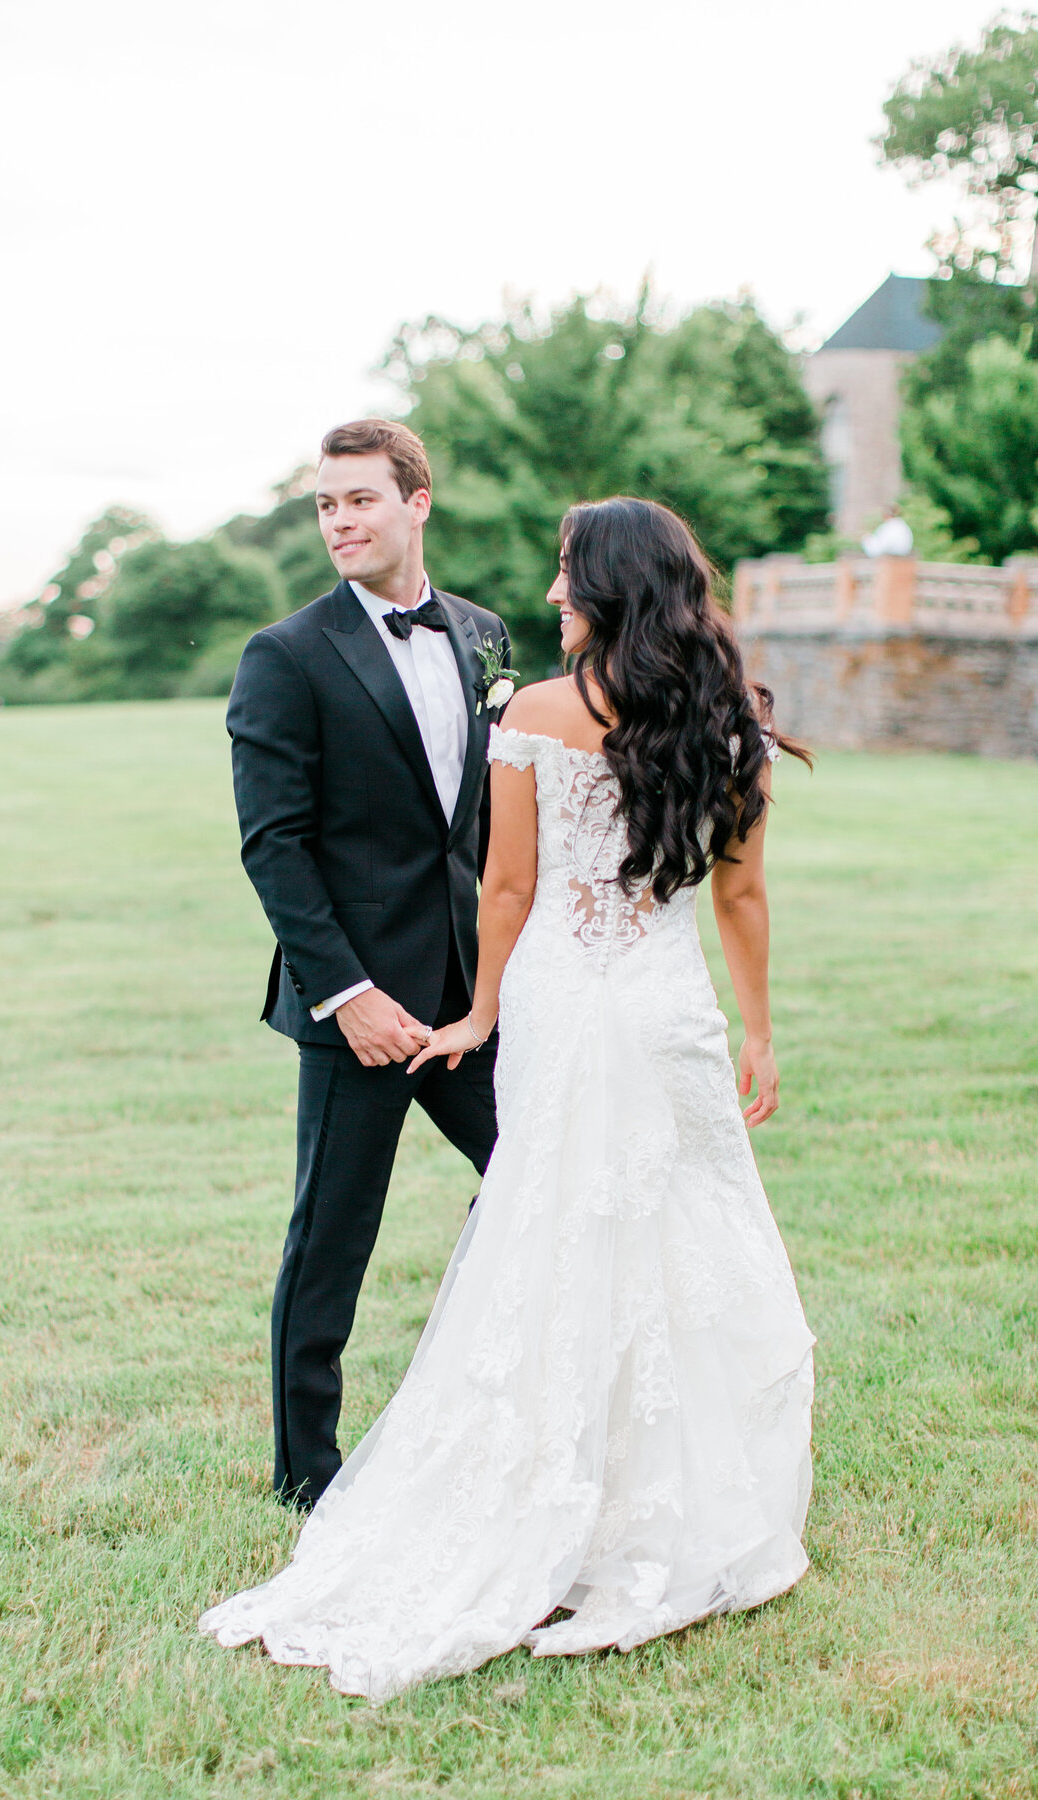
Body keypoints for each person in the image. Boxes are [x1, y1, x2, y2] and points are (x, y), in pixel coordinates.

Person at [202, 498, 816, 1701]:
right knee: (683, 1235)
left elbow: (508, 889)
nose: (549, 595)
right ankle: (675, 1497)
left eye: (567, 574)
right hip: (671, 1010)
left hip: (562, 1009)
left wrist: (481, 1012)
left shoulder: (535, 714)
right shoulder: (728, 721)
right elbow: (740, 902)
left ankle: (557, 1491)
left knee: (550, 1235)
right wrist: (761, 1030)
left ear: (609, 587)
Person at [224, 417, 513, 1512]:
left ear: (417, 501)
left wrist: (502, 984)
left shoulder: (483, 636)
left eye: (361, 500)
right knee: (330, 1237)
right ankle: (308, 1475)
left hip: (472, 1001)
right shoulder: (286, 656)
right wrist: (347, 994)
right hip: (359, 1007)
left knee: (546, 1179)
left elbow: (487, 831)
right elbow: (274, 847)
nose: (341, 521)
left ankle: (519, 1408)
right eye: (326, 505)